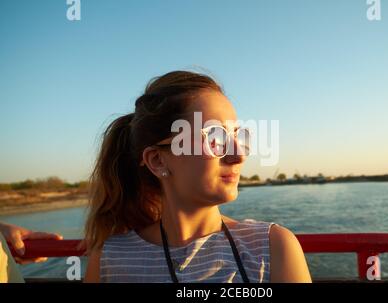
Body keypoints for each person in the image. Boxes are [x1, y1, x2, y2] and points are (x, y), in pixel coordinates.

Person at [84, 71, 311, 283]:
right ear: (157, 160)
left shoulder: (271, 248)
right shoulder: (110, 259)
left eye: (238, 136)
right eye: (214, 138)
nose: (238, 155)